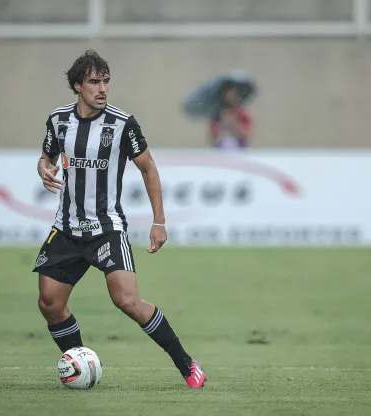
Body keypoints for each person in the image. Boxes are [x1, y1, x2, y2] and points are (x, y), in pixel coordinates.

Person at [33, 49, 206, 388]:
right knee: (50, 303)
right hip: (66, 229)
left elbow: (148, 168)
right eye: (94, 82)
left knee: (126, 300)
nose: (102, 88)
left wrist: (159, 222)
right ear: (77, 86)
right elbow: (46, 156)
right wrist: (43, 168)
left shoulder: (122, 123)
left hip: (107, 229)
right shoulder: (59, 120)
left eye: (106, 81)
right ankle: (79, 362)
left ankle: (186, 364)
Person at [208, 82, 253, 150]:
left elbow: (247, 134)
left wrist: (234, 123)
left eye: (232, 93)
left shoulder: (241, 112)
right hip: (221, 148)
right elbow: (213, 136)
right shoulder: (216, 113)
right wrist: (223, 123)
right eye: (226, 93)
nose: (229, 96)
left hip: (239, 148)